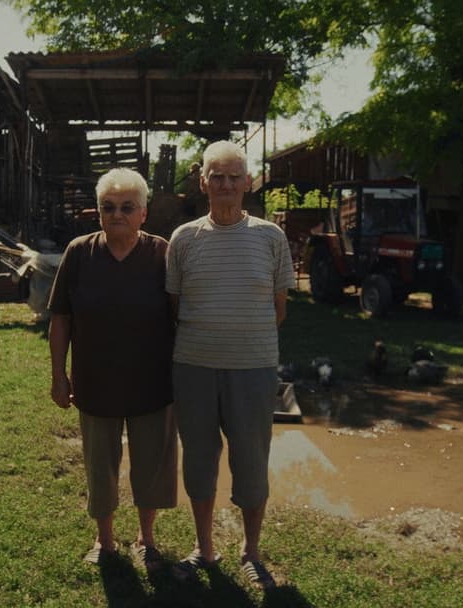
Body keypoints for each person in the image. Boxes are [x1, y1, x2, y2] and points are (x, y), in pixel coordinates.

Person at [165, 140, 295, 589]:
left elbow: (279, 308)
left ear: (249, 182)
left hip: (253, 369)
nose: (225, 184)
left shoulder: (271, 237)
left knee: (252, 461)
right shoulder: (184, 239)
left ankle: (251, 551)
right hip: (194, 368)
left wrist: (243, 339)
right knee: (199, 461)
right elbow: (175, 305)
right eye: (216, 176)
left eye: (234, 176)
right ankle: (204, 548)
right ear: (202, 182)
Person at [48, 168, 177, 570]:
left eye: (127, 207)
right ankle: (104, 539)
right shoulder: (79, 253)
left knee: (151, 465)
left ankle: (146, 538)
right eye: (108, 207)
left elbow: (181, 317)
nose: (117, 214)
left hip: (152, 382)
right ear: (99, 212)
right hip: (95, 381)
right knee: (99, 466)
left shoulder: (162, 253)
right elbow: (61, 318)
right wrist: (58, 375)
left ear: (143, 213)